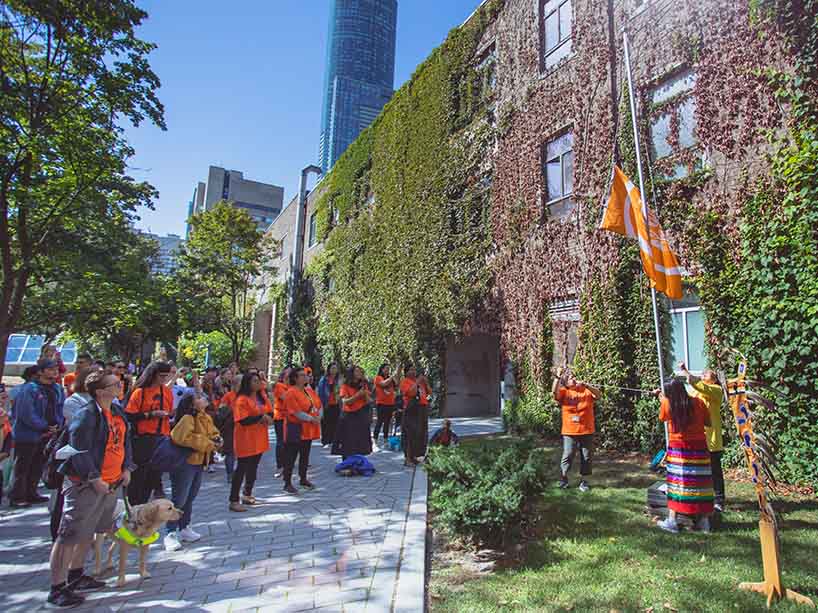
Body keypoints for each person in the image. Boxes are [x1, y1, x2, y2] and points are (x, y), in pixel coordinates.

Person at [48, 370, 134, 607]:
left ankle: (76, 575)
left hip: (111, 482)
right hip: (86, 484)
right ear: (100, 391)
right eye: (115, 384)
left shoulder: (116, 412)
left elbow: (125, 442)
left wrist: (127, 468)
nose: (120, 385)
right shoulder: (86, 415)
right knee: (69, 535)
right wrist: (94, 477)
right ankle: (56, 588)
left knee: (89, 532)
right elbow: (79, 450)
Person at [164, 393, 221, 552]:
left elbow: (213, 431)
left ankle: (184, 527)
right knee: (179, 498)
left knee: (190, 496)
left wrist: (217, 439)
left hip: (198, 461)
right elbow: (180, 437)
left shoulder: (205, 417)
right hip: (185, 462)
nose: (204, 398)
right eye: (199, 398)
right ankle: (170, 532)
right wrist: (207, 443)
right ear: (191, 403)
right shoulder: (188, 418)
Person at [656, 378, 714, 533]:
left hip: (679, 450)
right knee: (700, 483)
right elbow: (708, 423)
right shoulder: (699, 402)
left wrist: (662, 399)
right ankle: (704, 521)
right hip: (699, 449)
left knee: (677, 483)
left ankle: (672, 521)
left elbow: (662, 417)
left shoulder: (668, 404)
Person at [10, 359, 65, 507]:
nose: (55, 372)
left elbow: (60, 408)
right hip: (28, 434)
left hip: (48, 434)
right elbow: (26, 413)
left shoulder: (57, 389)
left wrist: (57, 425)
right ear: (40, 372)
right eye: (50, 369)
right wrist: (43, 426)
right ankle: (17, 496)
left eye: (56, 369)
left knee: (38, 464)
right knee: (23, 466)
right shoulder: (30, 389)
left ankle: (31, 492)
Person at [124, 361, 174, 505]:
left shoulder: (167, 392)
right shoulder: (140, 392)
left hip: (162, 438)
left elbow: (170, 412)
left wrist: (170, 415)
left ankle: (144, 508)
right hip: (143, 439)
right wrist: (150, 414)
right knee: (138, 478)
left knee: (153, 477)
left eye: (166, 376)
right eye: (161, 376)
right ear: (153, 375)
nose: (164, 379)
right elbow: (129, 415)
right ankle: (133, 509)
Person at [679, 362, 726, 512]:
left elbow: (701, 386)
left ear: (714, 380)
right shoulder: (696, 392)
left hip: (711, 441)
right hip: (697, 439)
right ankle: (703, 499)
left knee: (715, 472)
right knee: (699, 472)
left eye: (707, 374)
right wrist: (663, 393)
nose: (703, 374)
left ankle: (719, 501)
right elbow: (684, 400)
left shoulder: (716, 391)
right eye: (703, 373)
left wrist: (685, 371)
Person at [230, 372, 273, 512]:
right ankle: (233, 500)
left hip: (259, 438)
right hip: (245, 438)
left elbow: (270, 410)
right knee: (241, 469)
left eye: (258, 380)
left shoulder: (261, 396)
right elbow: (242, 420)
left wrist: (268, 417)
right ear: (247, 383)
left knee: (253, 468)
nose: (258, 383)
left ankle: (247, 494)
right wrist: (261, 418)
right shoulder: (241, 399)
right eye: (254, 381)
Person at [552, 367, 600, 492]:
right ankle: (563, 479)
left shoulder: (585, 390)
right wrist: (558, 376)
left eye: (574, 376)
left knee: (586, 456)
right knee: (568, 454)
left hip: (587, 430)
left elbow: (598, 395)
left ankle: (584, 482)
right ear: (566, 382)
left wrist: (588, 386)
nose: (573, 378)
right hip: (569, 430)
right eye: (570, 377)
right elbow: (554, 392)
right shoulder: (564, 392)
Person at [281, 368, 322, 494]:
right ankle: (287, 483)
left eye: (306, 375)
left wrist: (319, 416)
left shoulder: (309, 391)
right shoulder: (291, 392)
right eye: (302, 375)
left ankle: (303, 478)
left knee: (305, 455)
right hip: (295, 428)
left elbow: (319, 405)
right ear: (295, 378)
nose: (306, 377)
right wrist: (311, 419)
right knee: (291, 456)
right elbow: (295, 411)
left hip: (308, 429)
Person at [332, 366, 373, 460]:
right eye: (357, 371)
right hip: (348, 416)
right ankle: (346, 464)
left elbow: (368, 401)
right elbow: (346, 401)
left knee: (360, 441)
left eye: (360, 371)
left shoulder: (363, 385)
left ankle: (358, 463)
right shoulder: (345, 386)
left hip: (361, 415)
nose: (359, 373)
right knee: (348, 441)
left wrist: (365, 394)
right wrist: (358, 395)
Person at [398, 365, 431, 466]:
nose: (414, 371)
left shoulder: (420, 381)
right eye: (411, 370)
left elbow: (429, 392)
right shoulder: (405, 381)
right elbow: (410, 393)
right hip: (412, 410)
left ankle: (415, 456)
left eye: (414, 369)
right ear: (406, 372)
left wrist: (425, 382)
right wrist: (417, 382)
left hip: (422, 408)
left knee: (420, 433)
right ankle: (408, 458)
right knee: (411, 434)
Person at [217, 375, 241, 483]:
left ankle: (239, 472)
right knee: (230, 452)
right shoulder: (228, 396)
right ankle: (230, 474)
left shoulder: (247, 396)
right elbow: (221, 411)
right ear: (234, 385)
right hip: (230, 427)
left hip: (242, 427)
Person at [373, 363, 400, 447]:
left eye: (389, 369)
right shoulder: (378, 378)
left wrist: (397, 373)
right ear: (382, 369)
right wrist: (392, 376)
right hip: (381, 403)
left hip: (390, 403)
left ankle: (385, 440)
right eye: (386, 369)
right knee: (379, 422)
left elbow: (397, 385)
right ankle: (375, 441)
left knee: (387, 422)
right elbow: (383, 384)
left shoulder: (390, 378)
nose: (387, 370)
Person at [272, 368, 291, 478]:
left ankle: (287, 464)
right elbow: (286, 398)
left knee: (288, 441)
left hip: (290, 417)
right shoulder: (279, 386)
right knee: (281, 441)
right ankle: (280, 466)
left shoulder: (291, 387)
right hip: (280, 417)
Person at [317, 363, 341, 447]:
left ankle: (333, 440)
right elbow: (320, 392)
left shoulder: (339, 380)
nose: (334, 370)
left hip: (336, 403)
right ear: (329, 369)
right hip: (326, 403)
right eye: (332, 368)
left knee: (335, 422)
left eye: (335, 368)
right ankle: (325, 441)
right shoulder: (324, 379)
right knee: (326, 423)